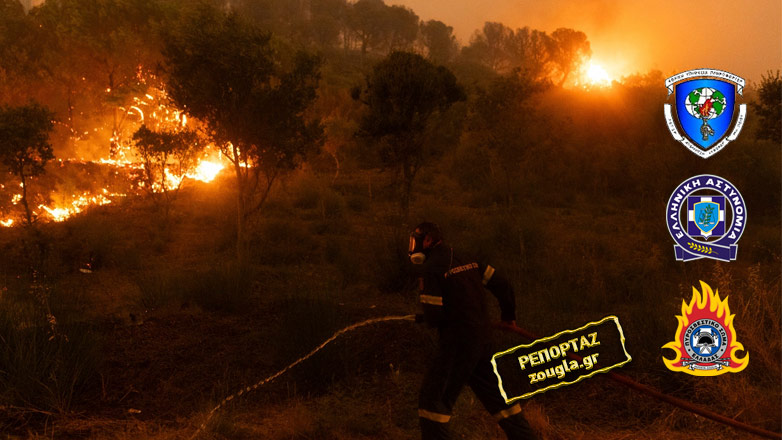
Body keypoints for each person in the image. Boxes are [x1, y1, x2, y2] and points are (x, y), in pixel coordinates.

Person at [409, 222, 539, 440]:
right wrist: (509, 317)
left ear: (428, 240)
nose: (413, 247)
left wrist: (427, 317)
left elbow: (434, 317)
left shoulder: (432, 268)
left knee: (433, 402)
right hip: (482, 339)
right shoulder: (466, 257)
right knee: (498, 399)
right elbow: (503, 284)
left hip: (457, 344)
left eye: (415, 241)